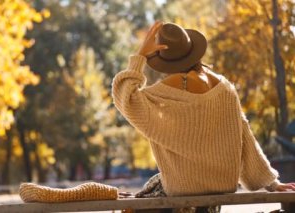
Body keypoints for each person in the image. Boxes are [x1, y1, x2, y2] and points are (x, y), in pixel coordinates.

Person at [111, 21, 295, 198]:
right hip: (224, 185)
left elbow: (126, 98)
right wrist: (272, 182)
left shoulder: (165, 91)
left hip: (183, 187)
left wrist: (140, 56)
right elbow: (245, 135)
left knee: (141, 198)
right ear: (193, 50)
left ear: (162, 59)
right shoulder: (225, 88)